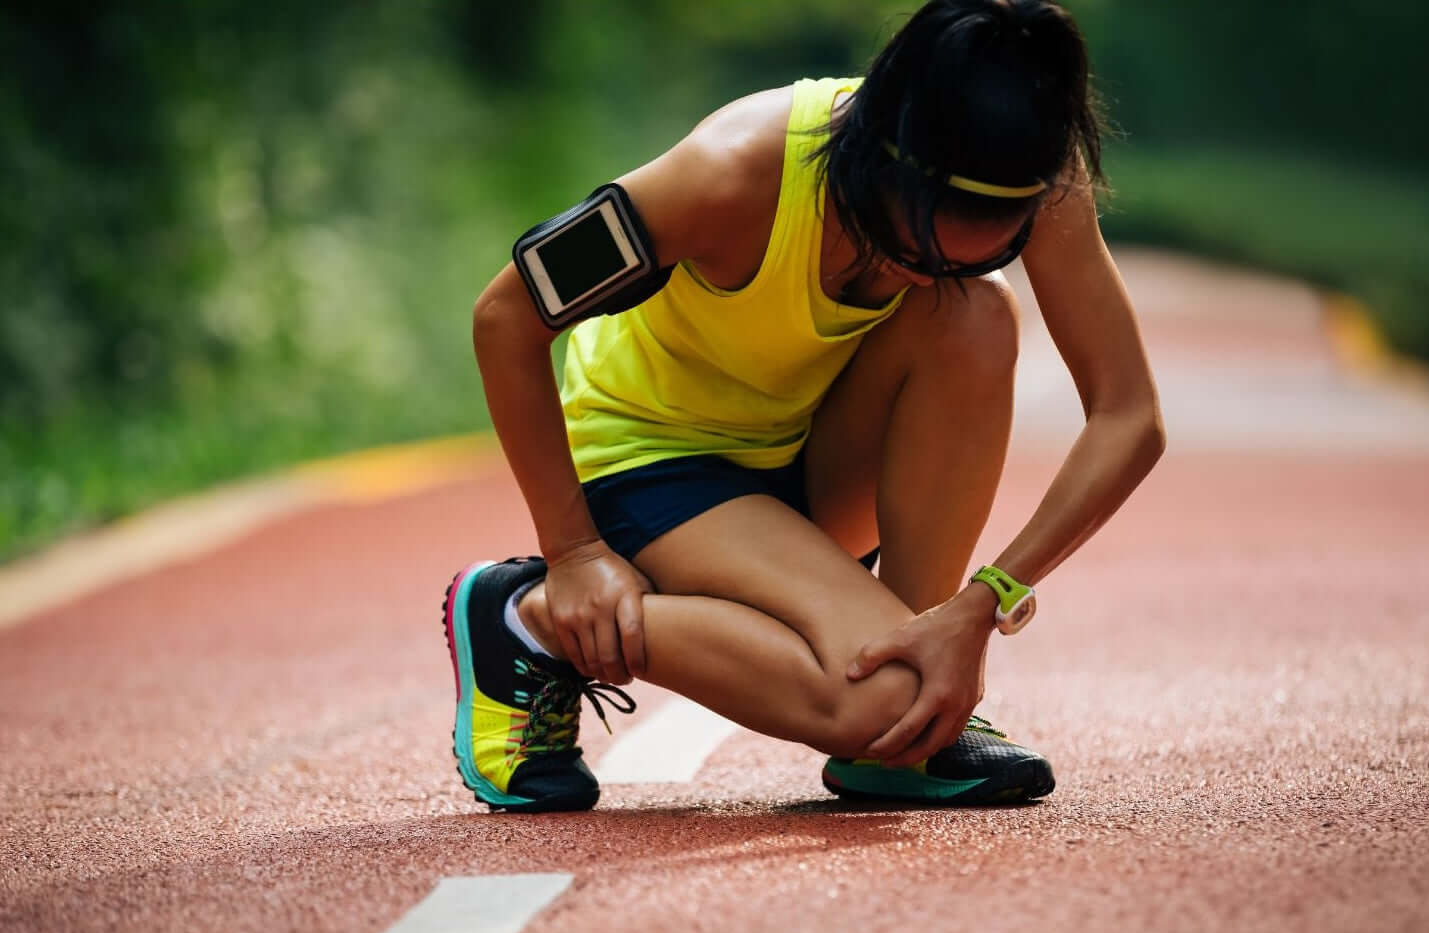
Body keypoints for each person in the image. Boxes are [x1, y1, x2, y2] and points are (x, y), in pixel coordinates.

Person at [446, 0, 1164, 812]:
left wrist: (975, 607)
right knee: (884, 701)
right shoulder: (726, 172)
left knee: (975, 313)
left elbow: (1128, 415)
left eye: (988, 247)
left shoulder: (1025, 171)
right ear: (881, 160)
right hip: (651, 461)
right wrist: (574, 550)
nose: (920, 276)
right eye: (909, 248)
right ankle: (528, 620)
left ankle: (907, 706)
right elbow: (505, 316)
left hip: (802, 459)